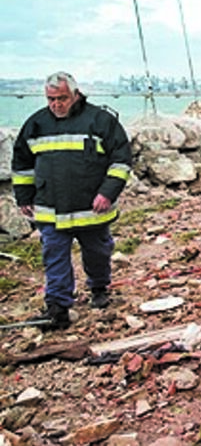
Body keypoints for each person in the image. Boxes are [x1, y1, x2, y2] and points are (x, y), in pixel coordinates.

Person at [11, 72, 132, 331]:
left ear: (76, 94)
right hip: (50, 210)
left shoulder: (101, 121)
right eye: (51, 99)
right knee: (54, 256)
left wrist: (108, 192)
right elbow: (22, 165)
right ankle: (57, 308)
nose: (56, 104)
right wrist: (23, 196)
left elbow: (121, 160)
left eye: (62, 98)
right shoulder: (36, 124)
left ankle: (99, 287)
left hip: (92, 210)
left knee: (98, 253)